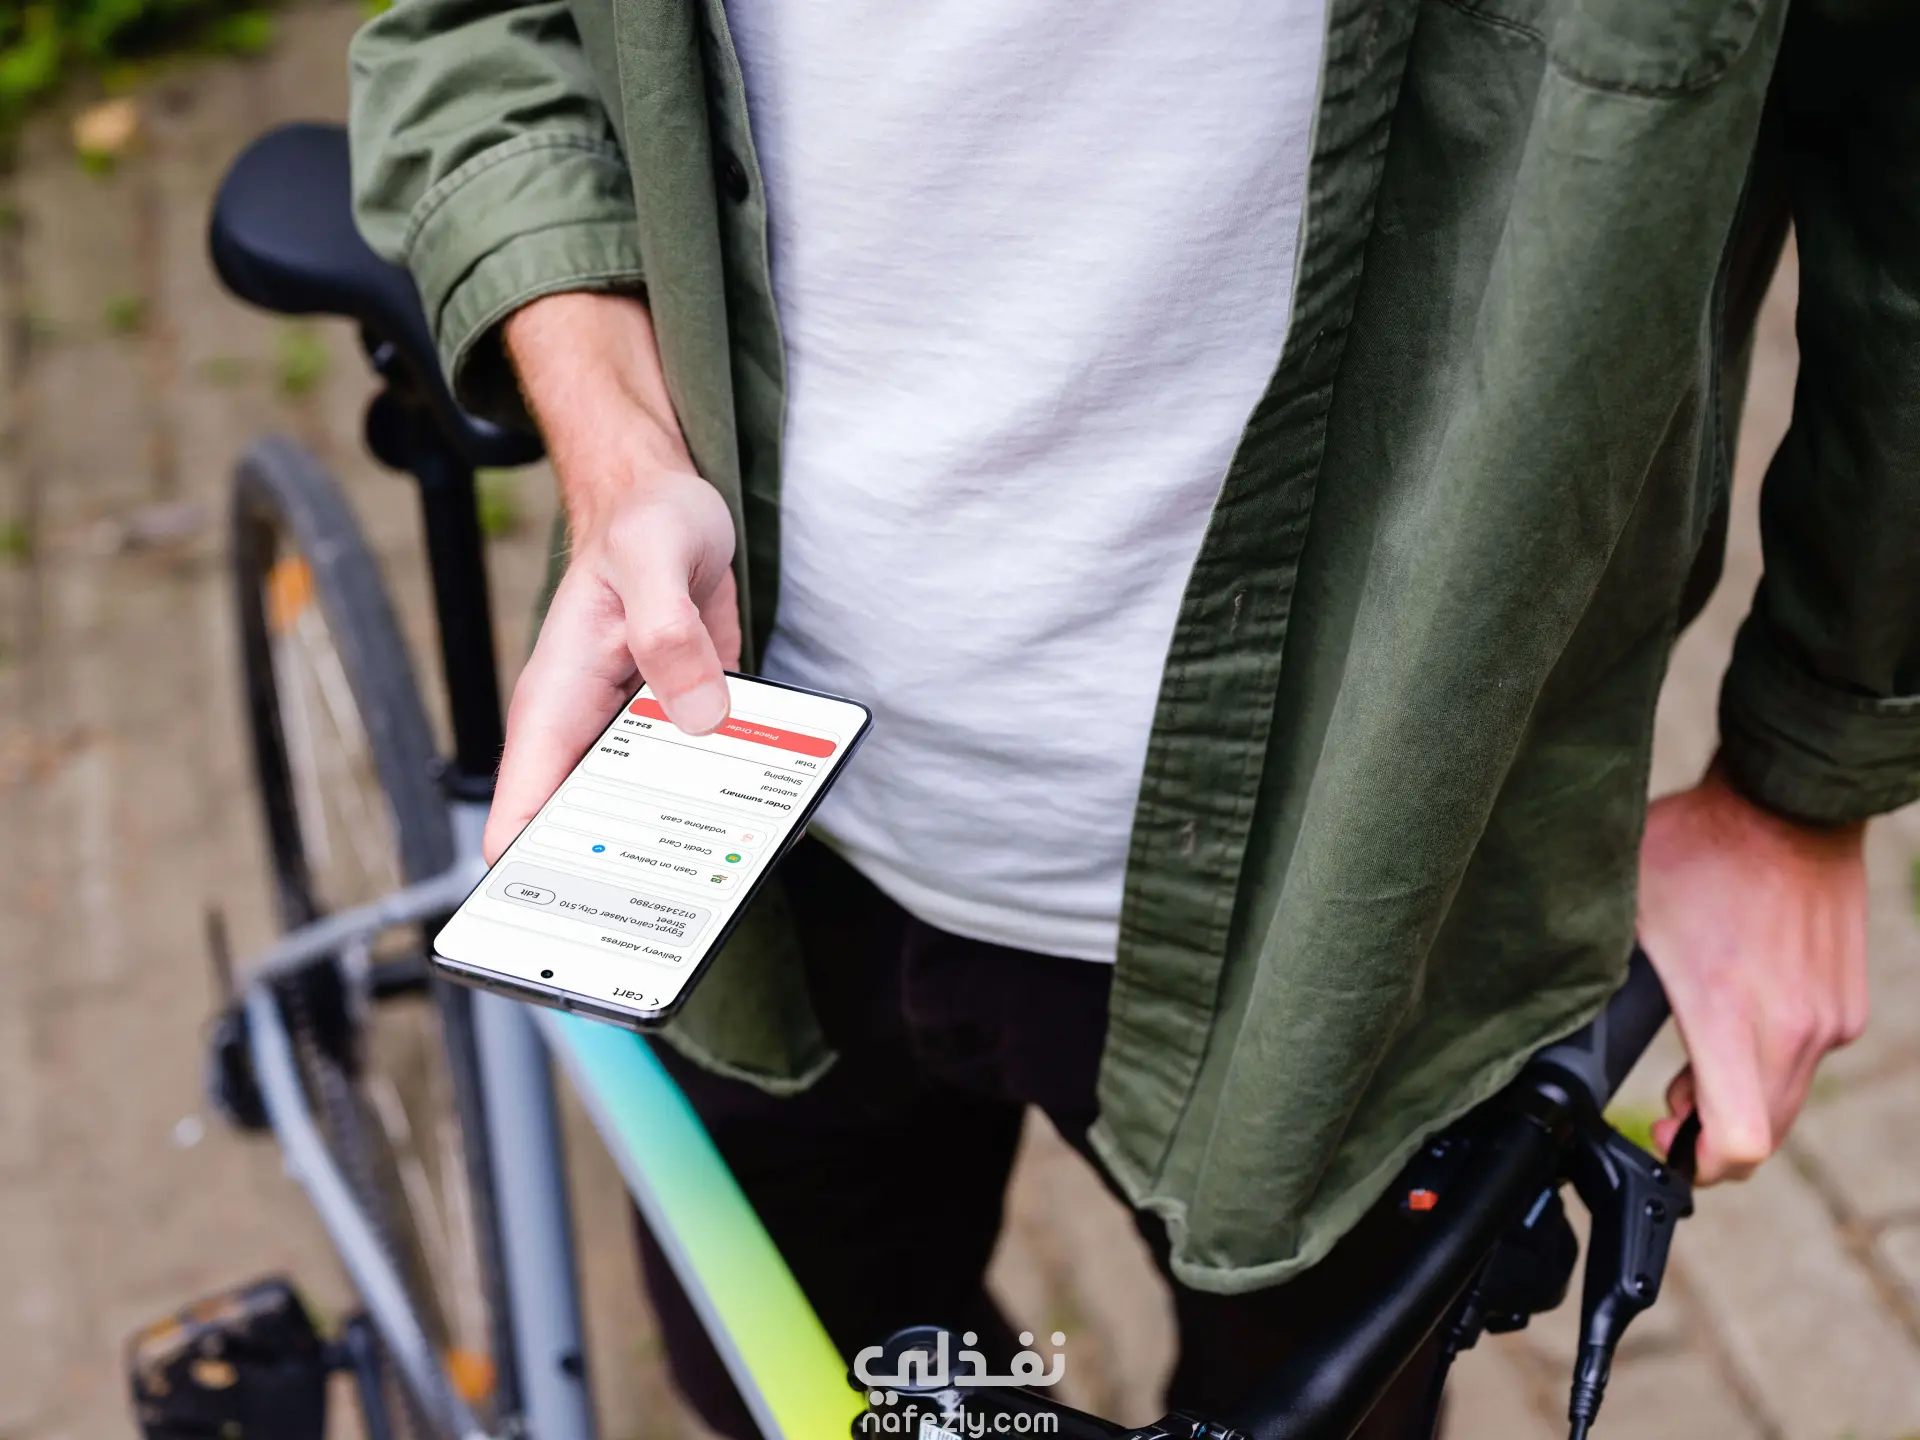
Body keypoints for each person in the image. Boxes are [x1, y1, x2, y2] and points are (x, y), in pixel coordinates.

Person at [349, 0, 1917, 1431]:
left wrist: (1799, 787)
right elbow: (486, 27)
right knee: (811, 1388)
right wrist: (617, 446)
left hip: (1357, 909)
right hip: (745, 821)